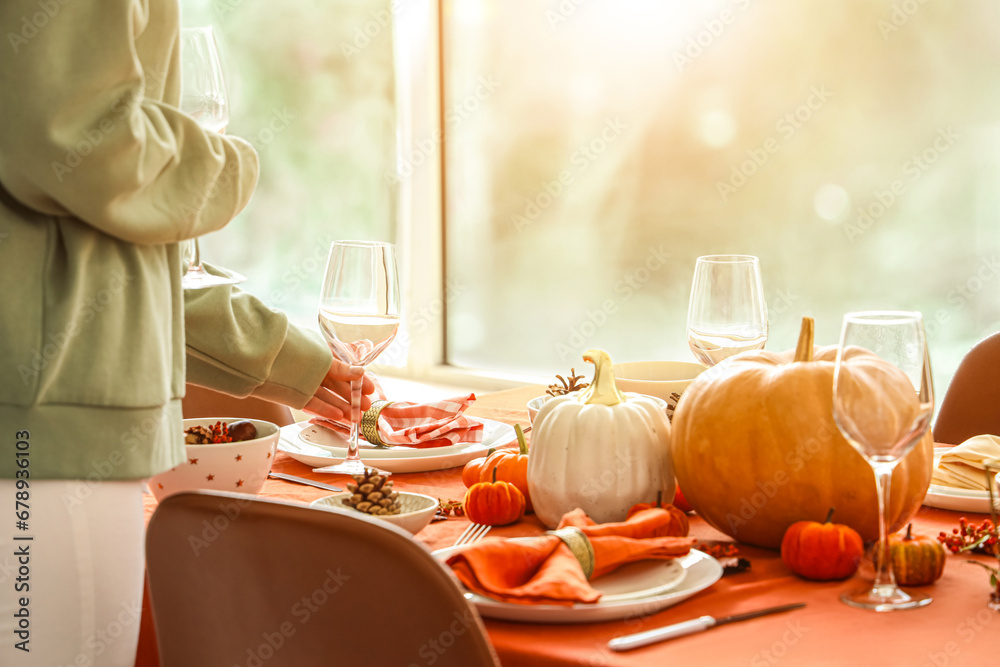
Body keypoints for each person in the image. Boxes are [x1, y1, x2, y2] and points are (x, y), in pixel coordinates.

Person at [0, 1, 372, 664]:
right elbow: (69, 133)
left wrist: (288, 356)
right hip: (42, 442)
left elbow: (108, 263)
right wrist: (230, 171)